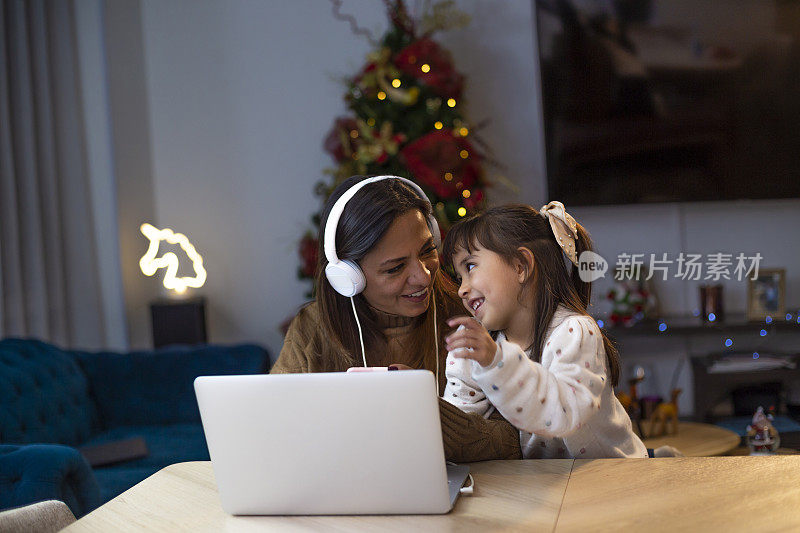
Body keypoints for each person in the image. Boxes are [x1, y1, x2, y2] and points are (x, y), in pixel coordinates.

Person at [272, 175, 522, 462]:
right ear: (348, 277)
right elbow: (274, 432)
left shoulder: (474, 313)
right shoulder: (311, 327)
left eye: (428, 251)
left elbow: (519, 440)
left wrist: (429, 414)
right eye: (395, 268)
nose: (423, 276)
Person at [441, 202, 648, 459]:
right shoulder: (484, 346)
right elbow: (459, 428)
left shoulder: (575, 331)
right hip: (549, 486)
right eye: (459, 276)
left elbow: (564, 415)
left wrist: (496, 362)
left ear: (520, 266)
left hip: (614, 482)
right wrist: (425, 406)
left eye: (470, 267)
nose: (461, 288)